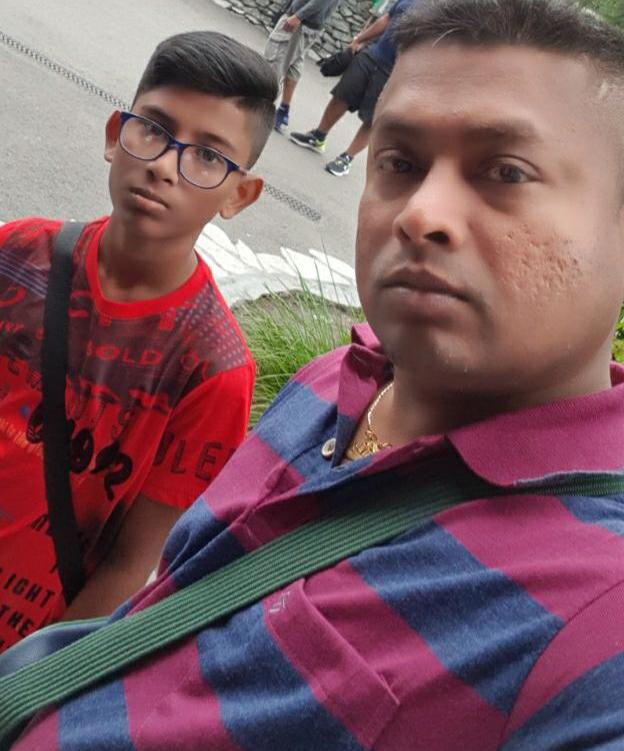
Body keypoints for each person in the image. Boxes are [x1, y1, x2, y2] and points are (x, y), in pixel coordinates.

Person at [9, 0, 624, 747]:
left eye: (506, 172)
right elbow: (154, 613)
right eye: (400, 163)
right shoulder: (327, 384)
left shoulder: (598, 624)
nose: (420, 212)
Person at [0, 32, 278, 654]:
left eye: (208, 156)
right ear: (114, 135)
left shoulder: (213, 368)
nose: (163, 166)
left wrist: (37, 680)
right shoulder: (17, 252)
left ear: (240, 194)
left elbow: (133, 561)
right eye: (153, 129)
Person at [289, 0, 414, 176]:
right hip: (373, 54)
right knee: (342, 94)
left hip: (396, 72)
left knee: (373, 117)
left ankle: (347, 157)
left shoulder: (443, 10)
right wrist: (359, 39)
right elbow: (387, 19)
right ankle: (318, 136)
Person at [265, 0, 342, 133]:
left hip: (301, 22)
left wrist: (298, 16)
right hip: (309, 23)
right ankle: (283, 111)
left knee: (277, 61)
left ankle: (262, 107)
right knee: (294, 65)